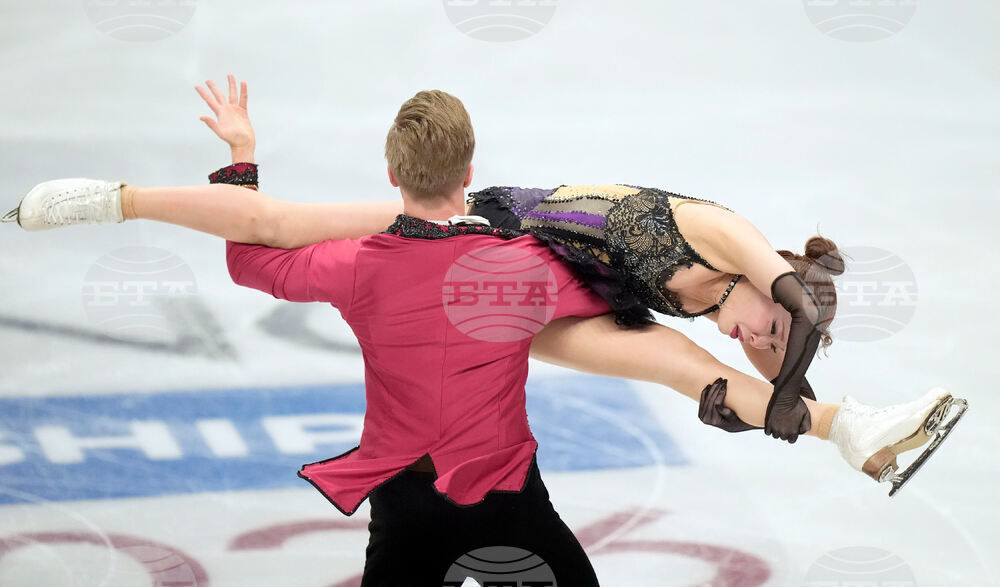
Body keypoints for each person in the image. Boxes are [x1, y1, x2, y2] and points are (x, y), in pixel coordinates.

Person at [2, 77, 966, 583]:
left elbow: (754, 343)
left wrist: (791, 396)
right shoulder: (732, 241)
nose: (757, 338)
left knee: (682, 365)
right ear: (776, 284)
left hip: (559, 296)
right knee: (286, 223)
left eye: (763, 345)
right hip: (511, 243)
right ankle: (107, 199)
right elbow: (794, 313)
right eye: (764, 328)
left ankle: (853, 433)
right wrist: (787, 373)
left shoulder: (730, 306)